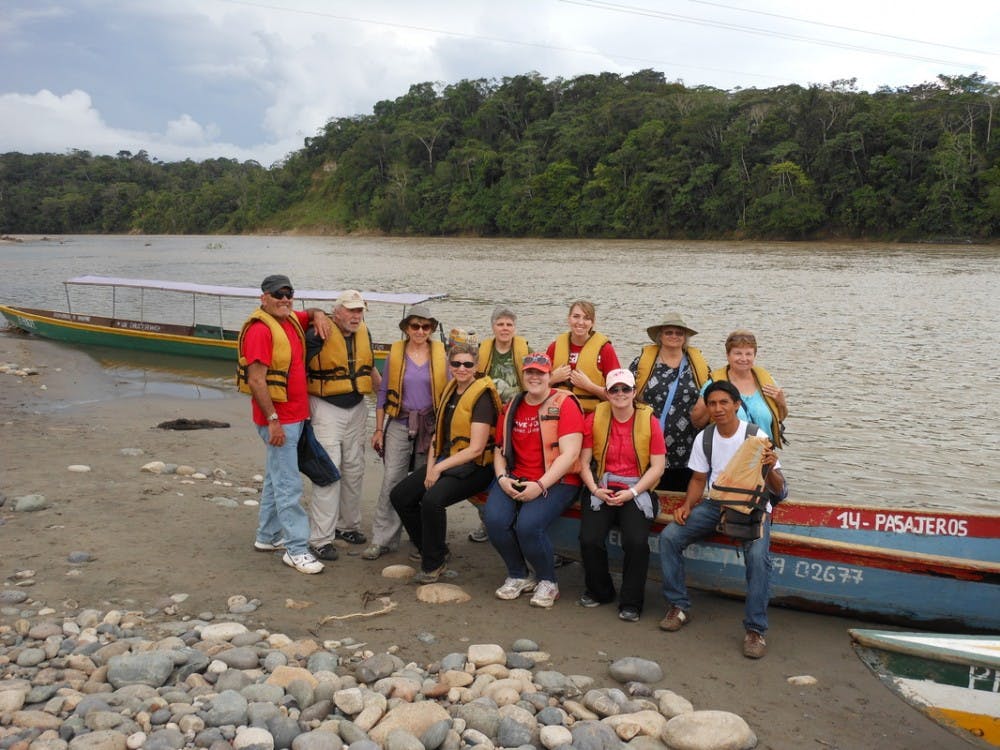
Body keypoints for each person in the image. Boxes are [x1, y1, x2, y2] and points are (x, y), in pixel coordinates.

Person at [658, 380, 786, 659]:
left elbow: (781, 490)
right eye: (712, 403)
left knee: (757, 558)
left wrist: (770, 467)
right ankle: (679, 606)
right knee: (669, 537)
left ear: (737, 405)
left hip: (753, 507)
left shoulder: (756, 435)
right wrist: (687, 505)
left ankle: (755, 629)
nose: (718, 409)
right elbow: (698, 479)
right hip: (716, 503)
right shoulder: (705, 438)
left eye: (724, 403)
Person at [236, 274, 332, 575]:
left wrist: (317, 315)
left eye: (289, 294)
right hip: (280, 420)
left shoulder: (289, 319)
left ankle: (267, 536)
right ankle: (296, 549)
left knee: (274, 478)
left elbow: (311, 311)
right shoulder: (261, 331)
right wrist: (273, 421)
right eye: (278, 295)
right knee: (289, 485)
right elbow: (256, 379)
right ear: (263, 298)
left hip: (296, 417)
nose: (284, 299)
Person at [390, 342, 501, 582]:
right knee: (400, 496)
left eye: (467, 364)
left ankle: (434, 565)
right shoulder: (451, 390)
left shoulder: (481, 398)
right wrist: (431, 467)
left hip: (477, 467)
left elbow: (476, 449)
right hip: (448, 459)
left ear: (476, 366)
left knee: (432, 500)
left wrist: (438, 468)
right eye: (456, 363)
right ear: (449, 365)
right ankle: (432, 548)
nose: (461, 368)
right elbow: (436, 437)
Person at [484, 352, 585, 608]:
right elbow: (499, 450)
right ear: (523, 375)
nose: (534, 377)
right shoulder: (511, 407)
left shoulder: (565, 404)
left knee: (528, 526)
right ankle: (518, 574)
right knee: (494, 520)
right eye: (530, 372)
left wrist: (540, 485)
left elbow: (570, 453)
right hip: (516, 476)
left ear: (550, 376)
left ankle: (548, 580)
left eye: (540, 373)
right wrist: (502, 478)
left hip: (558, 480)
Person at [578, 369, 665, 622]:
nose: (620, 394)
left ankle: (631, 602)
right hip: (603, 486)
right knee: (589, 539)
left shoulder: (649, 421)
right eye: (614, 389)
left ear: (634, 392)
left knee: (636, 542)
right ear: (606, 393)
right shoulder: (594, 418)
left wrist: (633, 492)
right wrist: (595, 489)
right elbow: (584, 462)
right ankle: (600, 591)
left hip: (636, 488)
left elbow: (658, 466)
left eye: (625, 389)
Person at [364, 304, 446, 560]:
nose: (420, 331)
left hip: (430, 427)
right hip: (399, 423)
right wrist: (378, 429)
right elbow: (382, 393)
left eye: (426, 326)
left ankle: (422, 538)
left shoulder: (442, 355)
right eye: (415, 326)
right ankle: (382, 539)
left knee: (425, 484)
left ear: (431, 329)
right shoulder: (395, 355)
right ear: (407, 328)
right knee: (392, 479)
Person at [304, 289, 380, 562]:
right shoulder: (316, 333)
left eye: (360, 310)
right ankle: (320, 539)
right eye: (351, 310)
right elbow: (298, 370)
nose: (356, 315)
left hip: (357, 407)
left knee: (355, 468)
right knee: (329, 470)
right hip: (326, 408)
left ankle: (347, 526)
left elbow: (369, 368)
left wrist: (385, 397)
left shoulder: (364, 334)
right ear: (336, 312)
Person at [467, 304, 529, 543]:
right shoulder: (482, 351)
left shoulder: (524, 350)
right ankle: (486, 519)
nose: (505, 328)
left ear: (515, 328)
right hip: (486, 418)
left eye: (509, 324)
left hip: (515, 419)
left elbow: (541, 378)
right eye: (500, 324)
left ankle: (509, 518)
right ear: (493, 327)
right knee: (479, 468)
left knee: (511, 468)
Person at [631, 313, 710, 491]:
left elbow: (710, 392)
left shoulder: (697, 364)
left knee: (681, 497)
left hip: (687, 445)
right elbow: (626, 391)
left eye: (679, 333)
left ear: (685, 338)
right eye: (669, 332)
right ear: (660, 336)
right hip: (649, 442)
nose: (674, 336)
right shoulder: (643, 363)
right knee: (646, 493)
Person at [706, 329, 788, 448]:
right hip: (728, 455)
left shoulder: (767, 381)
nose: (744, 358)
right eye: (738, 353)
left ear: (754, 355)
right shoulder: (713, 385)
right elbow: (698, 421)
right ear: (728, 355)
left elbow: (780, 417)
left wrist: (782, 404)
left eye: (748, 354)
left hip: (764, 455)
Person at [547, 300, 620, 414]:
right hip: (558, 413)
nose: (580, 322)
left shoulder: (605, 350)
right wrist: (551, 380)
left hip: (591, 415)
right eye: (576, 316)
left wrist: (589, 386)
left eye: (586, 318)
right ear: (569, 318)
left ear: (592, 322)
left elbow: (619, 395)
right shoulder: (554, 347)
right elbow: (535, 390)